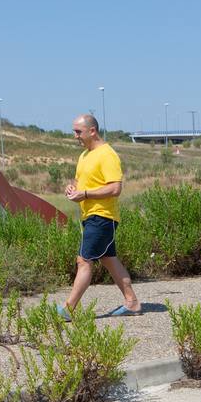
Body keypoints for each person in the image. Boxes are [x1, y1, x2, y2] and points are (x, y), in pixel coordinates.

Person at [61, 113, 142, 317]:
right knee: (109, 259)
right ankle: (132, 302)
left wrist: (86, 193)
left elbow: (115, 188)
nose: (75, 136)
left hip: (103, 216)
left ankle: (68, 309)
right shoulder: (84, 155)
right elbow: (81, 184)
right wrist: (73, 190)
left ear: (92, 131)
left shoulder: (107, 154)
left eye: (78, 132)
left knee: (84, 261)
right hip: (89, 216)